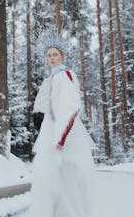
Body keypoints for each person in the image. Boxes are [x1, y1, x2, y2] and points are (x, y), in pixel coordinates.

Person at [27, 34, 95, 217]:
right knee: (50, 180)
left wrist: (61, 138)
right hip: (51, 131)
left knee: (66, 181)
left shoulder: (64, 76)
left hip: (63, 136)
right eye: (49, 55)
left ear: (62, 56)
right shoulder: (52, 78)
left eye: (55, 54)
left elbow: (70, 109)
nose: (51, 58)